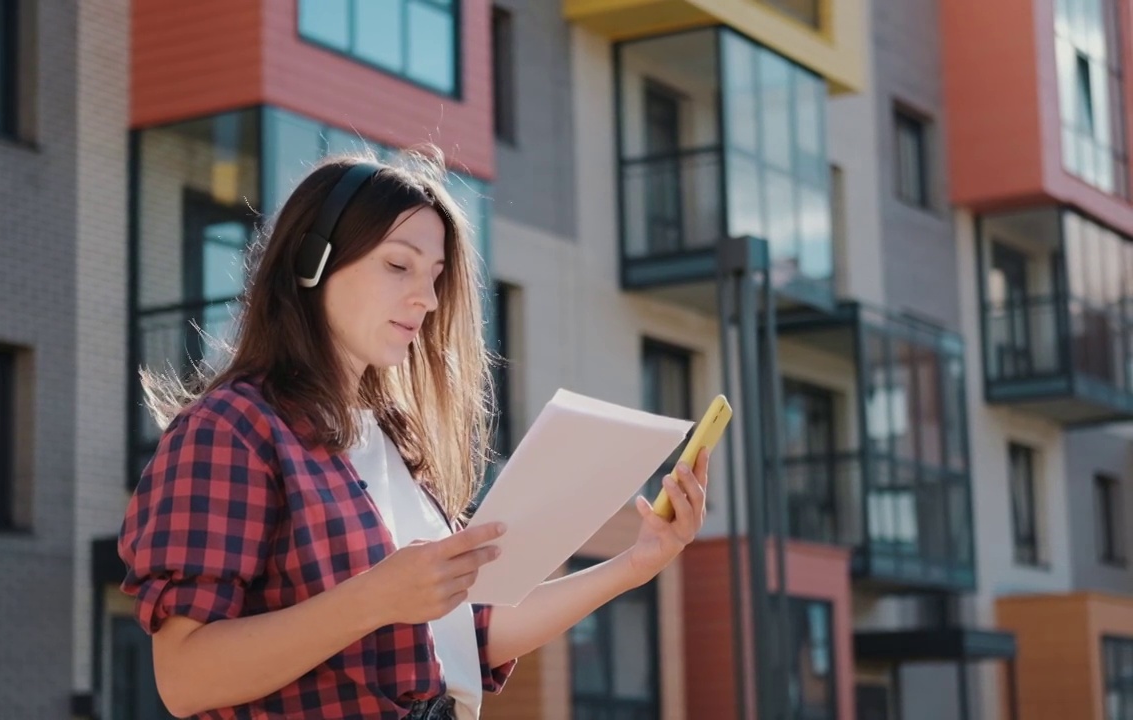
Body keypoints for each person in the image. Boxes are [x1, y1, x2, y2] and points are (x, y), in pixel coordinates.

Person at [116, 146, 710, 720]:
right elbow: (185, 678)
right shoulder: (232, 430)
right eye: (398, 265)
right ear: (311, 262)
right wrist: (374, 598)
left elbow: (469, 634)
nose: (425, 299)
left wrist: (637, 563)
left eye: (435, 276)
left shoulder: (391, 441)